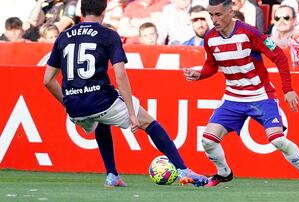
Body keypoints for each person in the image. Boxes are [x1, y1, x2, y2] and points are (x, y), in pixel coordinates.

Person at [43, 0, 208, 187]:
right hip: (100, 100)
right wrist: (131, 112)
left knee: (102, 121)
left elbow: (48, 80)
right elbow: (120, 75)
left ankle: (112, 175)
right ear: (104, 11)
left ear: (81, 11)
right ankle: (184, 171)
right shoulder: (108, 35)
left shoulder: (63, 37)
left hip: (74, 107)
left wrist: (68, 104)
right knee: (148, 122)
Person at [183, 0, 299, 191]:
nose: (214, 19)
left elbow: (279, 57)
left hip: (260, 96)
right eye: (211, 15)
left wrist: (288, 89)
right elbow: (211, 65)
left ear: (230, 11)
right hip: (233, 98)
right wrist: (199, 74)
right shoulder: (210, 38)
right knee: (208, 140)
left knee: (278, 140)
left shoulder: (250, 33)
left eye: (218, 14)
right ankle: (224, 172)